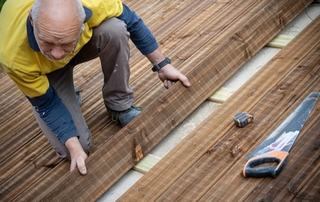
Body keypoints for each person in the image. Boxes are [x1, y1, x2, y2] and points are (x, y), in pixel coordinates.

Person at [0, 0, 190, 175]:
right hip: (43, 72)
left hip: (79, 44)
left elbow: (131, 20)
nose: (57, 54)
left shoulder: (94, 3)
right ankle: (63, 88)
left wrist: (162, 66)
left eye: (65, 44)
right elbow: (46, 105)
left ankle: (119, 105)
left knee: (115, 29)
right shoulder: (14, 56)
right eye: (47, 42)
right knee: (76, 146)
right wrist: (74, 148)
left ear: (83, 20)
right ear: (32, 20)